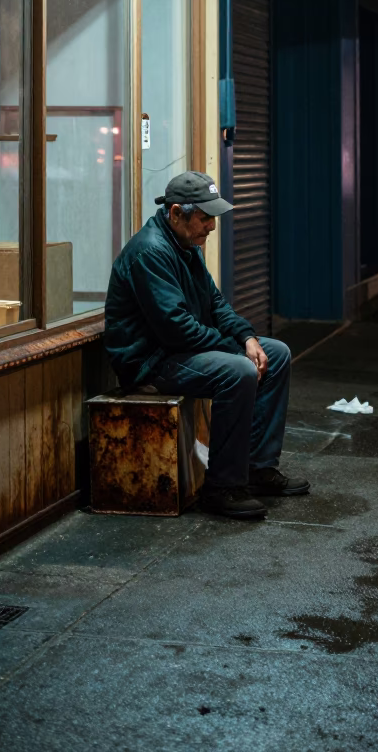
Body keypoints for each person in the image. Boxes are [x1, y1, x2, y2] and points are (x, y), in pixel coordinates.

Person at [104, 171, 309, 520]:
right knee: (239, 370)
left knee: (275, 353)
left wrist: (247, 338)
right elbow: (177, 330)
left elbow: (215, 303)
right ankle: (223, 487)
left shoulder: (186, 245)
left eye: (212, 217)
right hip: (150, 362)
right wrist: (236, 350)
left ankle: (257, 468)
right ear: (175, 213)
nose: (211, 226)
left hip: (178, 351)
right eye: (204, 217)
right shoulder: (151, 252)